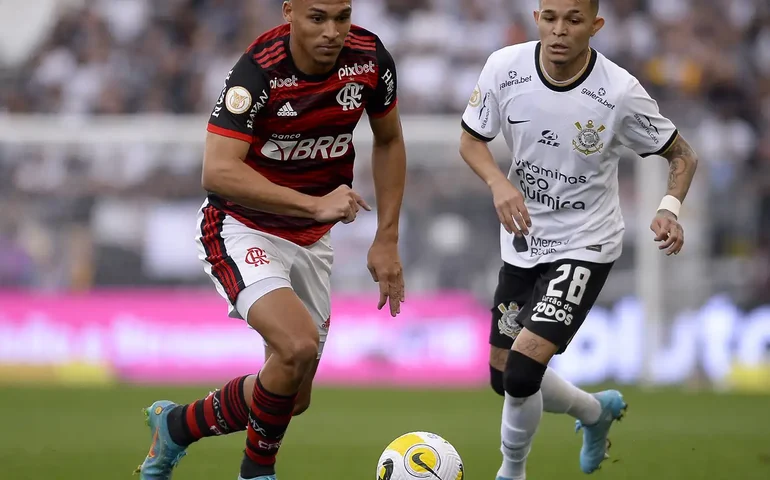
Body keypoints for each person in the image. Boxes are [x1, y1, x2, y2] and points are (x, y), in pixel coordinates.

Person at [133, 1, 406, 479]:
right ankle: (257, 472)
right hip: (241, 226)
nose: (332, 31)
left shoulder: (370, 59)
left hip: (310, 240)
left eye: (341, 16)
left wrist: (386, 240)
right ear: (289, 14)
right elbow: (216, 171)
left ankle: (176, 425)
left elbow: (388, 141)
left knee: (291, 395)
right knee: (297, 346)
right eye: (317, 17)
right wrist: (313, 204)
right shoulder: (258, 71)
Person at [459, 0, 698, 478]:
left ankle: (511, 472)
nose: (559, 30)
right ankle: (595, 412)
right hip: (524, 240)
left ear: (596, 25)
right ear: (537, 20)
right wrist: (499, 183)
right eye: (550, 18)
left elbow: (683, 155)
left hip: (586, 243)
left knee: (524, 373)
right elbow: (470, 140)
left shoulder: (620, 92)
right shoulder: (504, 68)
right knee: (502, 377)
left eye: (573, 20)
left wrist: (669, 208)